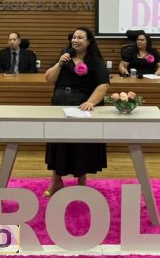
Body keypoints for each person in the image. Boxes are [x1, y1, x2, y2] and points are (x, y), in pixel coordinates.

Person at [43, 27, 110, 197]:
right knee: (58, 144)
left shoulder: (95, 62)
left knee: (81, 145)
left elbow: (103, 85)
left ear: (88, 42)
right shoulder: (64, 57)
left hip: (81, 108)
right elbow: (49, 78)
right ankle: (56, 181)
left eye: (80, 37)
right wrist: (59, 63)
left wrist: (91, 102)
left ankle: (82, 181)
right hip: (60, 106)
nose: (75, 40)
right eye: (73, 37)